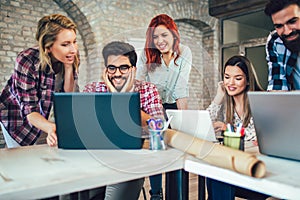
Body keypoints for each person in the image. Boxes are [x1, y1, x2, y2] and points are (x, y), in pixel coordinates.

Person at [83, 41, 165, 200]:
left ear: (133, 69)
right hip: (95, 160)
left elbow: (158, 129)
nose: (117, 73)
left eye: (124, 67)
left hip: (130, 162)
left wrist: (122, 98)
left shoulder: (148, 90)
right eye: (112, 68)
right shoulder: (93, 89)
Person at [0, 14, 79, 148]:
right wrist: (50, 127)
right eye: (65, 44)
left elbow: (68, 95)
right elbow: (30, 110)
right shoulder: (27, 60)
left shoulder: (70, 56)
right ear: (48, 47)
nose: (73, 49)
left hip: (44, 118)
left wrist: (68, 67)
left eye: (74, 42)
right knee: (24, 161)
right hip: (17, 120)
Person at [136, 13, 192, 200]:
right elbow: (140, 85)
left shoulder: (184, 52)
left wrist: (184, 123)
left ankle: (178, 193)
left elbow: (181, 87)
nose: (160, 41)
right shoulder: (146, 55)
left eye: (164, 35)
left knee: (177, 148)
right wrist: (149, 116)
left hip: (175, 105)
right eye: (155, 37)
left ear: (173, 35)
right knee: (157, 148)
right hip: (153, 105)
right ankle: (156, 194)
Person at [206, 55, 268, 200]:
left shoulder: (260, 101)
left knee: (219, 176)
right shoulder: (228, 104)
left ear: (247, 81)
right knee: (214, 173)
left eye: (238, 78)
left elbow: (256, 138)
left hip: (259, 168)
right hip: (237, 164)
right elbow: (204, 122)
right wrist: (218, 97)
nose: (231, 83)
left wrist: (227, 128)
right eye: (227, 77)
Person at [264, 0, 300, 90]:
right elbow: (278, 86)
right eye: (279, 26)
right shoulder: (275, 41)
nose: (287, 31)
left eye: (292, 21)